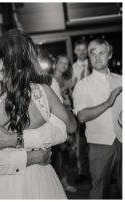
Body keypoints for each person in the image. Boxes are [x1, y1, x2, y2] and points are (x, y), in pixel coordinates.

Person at [0, 32, 77, 199]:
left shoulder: (42, 87)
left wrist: (15, 139)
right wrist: (32, 156)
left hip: (36, 176)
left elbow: (60, 131)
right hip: (3, 181)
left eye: (2, 70)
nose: (0, 78)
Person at [73, 38, 122, 199]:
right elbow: (81, 116)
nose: (97, 57)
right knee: (99, 191)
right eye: (93, 54)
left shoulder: (121, 80)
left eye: (101, 53)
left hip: (122, 140)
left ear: (110, 55)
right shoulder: (83, 85)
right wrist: (108, 103)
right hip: (99, 144)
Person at [52, 54, 77, 192]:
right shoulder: (49, 79)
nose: (64, 65)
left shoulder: (66, 79)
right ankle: (60, 183)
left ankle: (63, 181)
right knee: (58, 154)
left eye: (66, 63)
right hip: (56, 120)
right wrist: (64, 88)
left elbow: (70, 99)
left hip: (68, 118)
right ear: (56, 63)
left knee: (65, 154)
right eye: (61, 62)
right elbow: (52, 99)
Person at [72, 39, 91, 184]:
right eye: (79, 49)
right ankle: (82, 171)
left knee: (96, 139)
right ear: (75, 51)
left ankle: (99, 169)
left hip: (95, 105)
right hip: (79, 108)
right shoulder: (71, 68)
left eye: (84, 49)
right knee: (81, 142)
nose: (82, 52)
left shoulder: (93, 64)